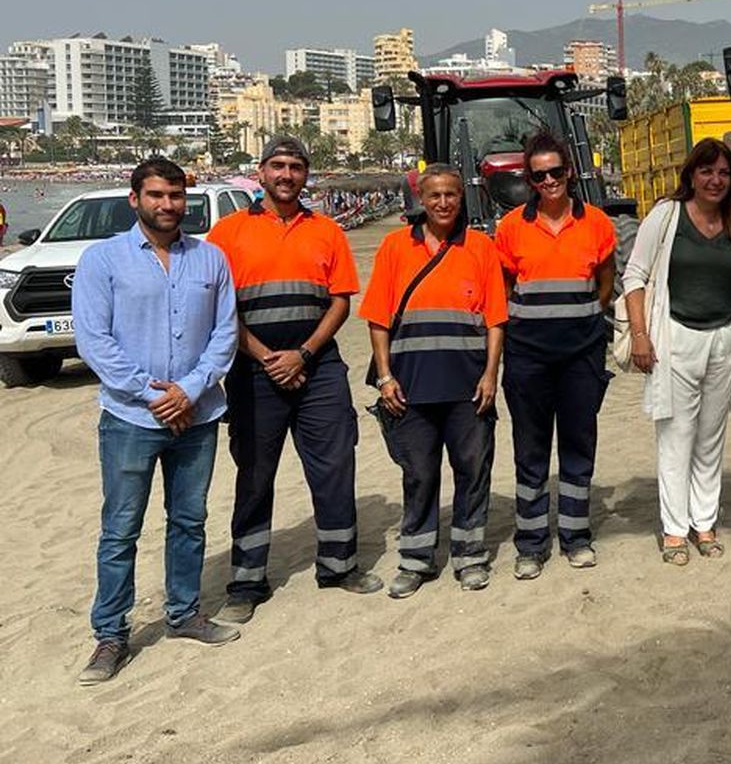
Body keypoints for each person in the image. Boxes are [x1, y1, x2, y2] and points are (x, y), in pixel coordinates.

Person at [72, 158, 241, 684]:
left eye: (175, 196)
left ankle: (184, 613)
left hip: (198, 414)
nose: (167, 205)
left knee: (189, 521)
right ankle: (110, 635)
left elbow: (225, 333)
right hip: (129, 418)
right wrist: (151, 394)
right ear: (135, 199)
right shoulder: (103, 260)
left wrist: (189, 390)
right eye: (156, 195)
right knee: (120, 530)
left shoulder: (210, 259)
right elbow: (94, 341)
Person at [210, 135, 381, 624]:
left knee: (333, 467)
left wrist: (303, 353)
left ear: (306, 175)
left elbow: (341, 301)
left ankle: (339, 566)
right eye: (278, 166)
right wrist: (268, 357)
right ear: (261, 172)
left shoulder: (327, 231)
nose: (287, 175)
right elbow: (221, 312)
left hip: (319, 367)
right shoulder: (227, 233)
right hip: (253, 370)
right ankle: (246, 581)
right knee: (256, 474)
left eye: (297, 167)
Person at [361, 164, 507, 597]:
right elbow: (377, 319)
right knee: (419, 473)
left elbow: (496, 320)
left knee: (472, 470)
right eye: (435, 195)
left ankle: (470, 556)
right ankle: (416, 558)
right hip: (411, 387)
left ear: (462, 199)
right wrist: (385, 376)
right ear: (421, 200)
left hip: (467, 387)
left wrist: (490, 375)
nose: (443, 203)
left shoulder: (480, 247)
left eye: (451, 195)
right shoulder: (394, 248)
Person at [622, 139, 731, 565]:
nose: (715, 180)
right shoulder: (666, 217)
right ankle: (676, 530)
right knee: (676, 435)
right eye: (707, 171)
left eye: (723, 172)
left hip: (725, 341)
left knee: (710, 440)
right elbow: (634, 276)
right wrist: (641, 335)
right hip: (676, 338)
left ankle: (704, 522)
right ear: (691, 175)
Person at [495, 132, 616, 576]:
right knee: (530, 448)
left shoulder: (597, 223)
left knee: (578, 446)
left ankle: (575, 537)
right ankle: (530, 544)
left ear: (569, 172)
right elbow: (503, 291)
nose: (549, 180)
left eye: (556, 172)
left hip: (582, 353)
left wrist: (585, 317)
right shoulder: (510, 228)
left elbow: (606, 281)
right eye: (539, 174)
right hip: (528, 355)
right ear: (529, 179)